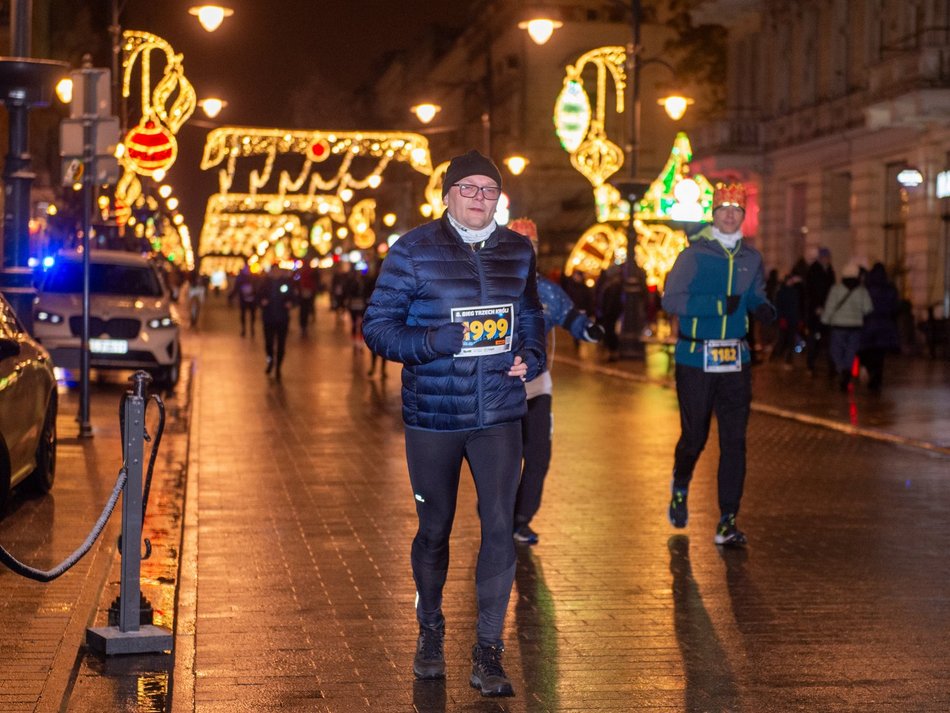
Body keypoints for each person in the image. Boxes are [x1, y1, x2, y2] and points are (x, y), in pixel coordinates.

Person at [362, 150, 545, 697]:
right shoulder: (413, 251)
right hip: (434, 416)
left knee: (497, 526)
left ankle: (489, 651)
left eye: (488, 189)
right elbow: (377, 327)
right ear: (446, 195)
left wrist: (532, 357)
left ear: (499, 197)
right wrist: (429, 344)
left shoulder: (518, 250)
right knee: (435, 529)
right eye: (467, 188)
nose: (478, 197)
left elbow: (531, 315)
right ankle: (431, 629)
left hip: (499, 411)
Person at [661, 182, 775, 547]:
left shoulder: (751, 258)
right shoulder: (693, 256)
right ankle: (680, 485)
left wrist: (764, 307)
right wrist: (715, 306)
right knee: (695, 436)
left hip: (735, 359)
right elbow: (671, 300)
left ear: (744, 215)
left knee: (735, 441)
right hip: (695, 357)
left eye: (736, 210)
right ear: (713, 214)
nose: (730, 215)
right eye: (724, 209)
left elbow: (755, 293)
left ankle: (727, 520)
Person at [507, 218, 603, 546]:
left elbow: (569, 314)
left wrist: (585, 329)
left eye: (530, 247)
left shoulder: (546, 289)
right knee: (502, 461)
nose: (525, 253)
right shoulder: (488, 287)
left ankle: (521, 520)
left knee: (538, 456)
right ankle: (497, 518)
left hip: (536, 387)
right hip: (497, 391)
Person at [821, 260, 873, 392]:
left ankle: (841, 369)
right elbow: (868, 308)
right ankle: (847, 369)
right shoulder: (861, 291)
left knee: (835, 350)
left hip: (838, 325)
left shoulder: (836, 289)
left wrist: (825, 320)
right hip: (855, 326)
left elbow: (830, 307)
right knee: (851, 350)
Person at [858, 263, 901, 392]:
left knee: (868, 352)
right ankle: (876, 380)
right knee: (879, 356)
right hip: (884, 326)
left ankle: (869, 372)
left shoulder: (866, 289)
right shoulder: (889, 289)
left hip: (869, 326)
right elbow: (895, 308)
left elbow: (862, 309)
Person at [257, 267, 296, 382]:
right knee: (269, 344)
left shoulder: (286, 283)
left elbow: (293, 297)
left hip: (282, 319)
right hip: (268, 318)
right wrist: (262, 302)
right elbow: (258, 296)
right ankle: (270, 361)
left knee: (281, 345)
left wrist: (290, 303)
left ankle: (278, 366)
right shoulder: (264, 283)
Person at [805, 247, 836, 375]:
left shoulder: (830, 271)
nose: (827, 260)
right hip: (815, 312)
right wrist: (816, 306)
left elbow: (831, 290)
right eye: (825, 257)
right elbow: (811, 291)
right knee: (814, 338)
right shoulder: (814, 270)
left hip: (827, 310)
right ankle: (811, 365)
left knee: (828, 339)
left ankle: (831, 367)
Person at [229, 265, 258, 337]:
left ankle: (251, 329)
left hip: (251, 300)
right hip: (244, 300)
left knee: (251, 315)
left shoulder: (253, 278)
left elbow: (257, 288)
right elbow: (236, 288)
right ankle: (245, 329)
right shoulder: (241, 278)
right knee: (244, 315)